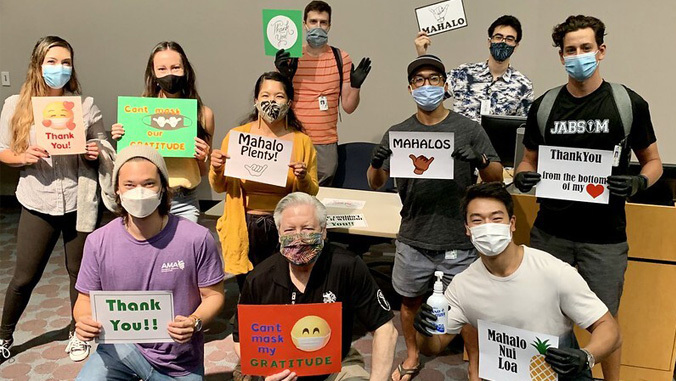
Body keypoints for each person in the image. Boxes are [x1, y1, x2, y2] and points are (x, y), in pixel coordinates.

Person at [514, 15, 663, 380]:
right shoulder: (545, 105)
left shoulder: (627, 103)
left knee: (605, 323)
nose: (578, 55)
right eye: (570, 50)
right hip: (550, 233)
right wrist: (523, 177)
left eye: (585, 48)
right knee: (545, 319)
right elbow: (526, 161)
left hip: (605, 238)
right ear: (560, 56)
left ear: (601, 50)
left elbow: (653, 161)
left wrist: (639, 184)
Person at [366, 54, 503, 381]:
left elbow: (496, 176)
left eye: (433, 79)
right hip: (413, 236)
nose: (426, 86)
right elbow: (377, 181)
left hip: (459, 237)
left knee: (468, 308)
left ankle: (475, 367)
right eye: (419, 81)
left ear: (445, 85)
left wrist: (480, 159)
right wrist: (375, 162)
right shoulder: (398, 132)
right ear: (410, 87)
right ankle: (412, 356)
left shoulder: (468, 129)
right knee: (409, 303)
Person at [415, 182, 622, 381]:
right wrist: (424, 332)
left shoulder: (553, 272)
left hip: (560, 373)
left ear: (512, 224)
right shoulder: (462, 286)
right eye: (477, 220)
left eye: (496, 218)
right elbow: (434, 346)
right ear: (467, 229)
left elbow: (608, 328)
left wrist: (587, 356)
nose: (488, 227)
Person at [0, 36, 116, 362]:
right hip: (38, 198)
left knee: (79, 273)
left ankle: (77, 332)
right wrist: (21, 156)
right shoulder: (15, 105)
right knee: (25, 276)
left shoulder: (84, 105)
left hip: (80, 200)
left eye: (66, 62)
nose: (60, 69)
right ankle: (3, 335)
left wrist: (96, 151)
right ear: (38, 65)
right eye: (52, 62)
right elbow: (2, 151)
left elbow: (105, 146)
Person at [73, 145, 225, 380]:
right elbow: (84, 299)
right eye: (129, 185)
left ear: (164, 187)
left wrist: (194, 322)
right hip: (119, 351)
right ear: (117, 190)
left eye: (149, 183)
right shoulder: (98, 241)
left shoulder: (196, 238)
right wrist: (83, 320)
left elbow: (214, 296)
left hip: (179, 361)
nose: (139, 192)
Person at [232, 192, 397, 381]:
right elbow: (240, 339)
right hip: (278, 365)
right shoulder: (259, 278)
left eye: (308, 229)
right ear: (278, 234)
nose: (299, 238)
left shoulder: (347, 266)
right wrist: (268, 372)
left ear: (324, 231)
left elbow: (386, 329)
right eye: (289, 230)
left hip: (336, 361)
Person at [209, 72, 319, 291]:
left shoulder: (302, 141)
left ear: (289, 102)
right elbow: (220, 186)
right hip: (245, 223)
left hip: (284, 226)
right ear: (256, 100)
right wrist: (217, 166)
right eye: (265, 95)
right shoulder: (237, 136)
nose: (272, 101)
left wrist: (302, 177)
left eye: (279, 96)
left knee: (282, 283)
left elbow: (312, 191)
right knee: (249, 285)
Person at [111, 41, 215, 223]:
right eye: (162, 69)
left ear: (186, 70)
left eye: (176, 67)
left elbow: (204, 171)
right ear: (153, 73)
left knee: (184, 251)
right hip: (146, 196)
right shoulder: (137, 112)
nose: (170, 74)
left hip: (184, 200)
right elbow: (127, 163)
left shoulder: (203, 114)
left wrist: (203, 157)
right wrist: (121, 138)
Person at [274, 0, 372, 185]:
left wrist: (356, 86)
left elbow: (349, 107)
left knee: (322, 195)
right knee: (291, 192)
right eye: (313, 21)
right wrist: (283, 76)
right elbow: (277, 105)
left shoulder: (340, 57)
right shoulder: (291, 57)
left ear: (329, 26)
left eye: (323, 22)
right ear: (304, 24)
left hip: (326, 142)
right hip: (293, 137)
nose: (317, 27)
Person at [415, 15, 533, 122]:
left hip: (495, 146)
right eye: (498, 37)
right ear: (489, 42)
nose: (503, 42)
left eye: (509, 39)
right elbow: (430, 97)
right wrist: (422, 55)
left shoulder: (523, 85)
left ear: (516, 46)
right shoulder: (464, 73)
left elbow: (523, 129)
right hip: (460, 143)